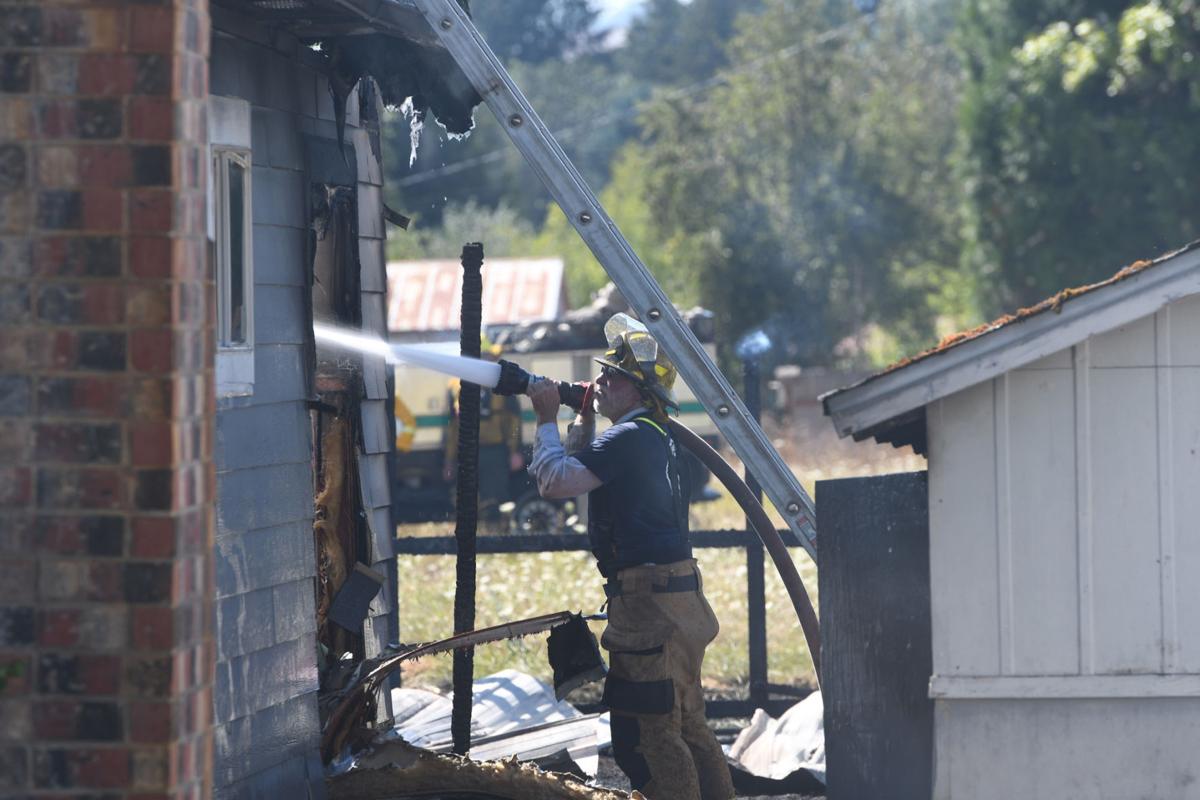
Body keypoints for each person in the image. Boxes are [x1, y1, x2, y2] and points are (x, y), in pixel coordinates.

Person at [525, 314, 735, 800]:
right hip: (679, 601)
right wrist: (581, 415)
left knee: (647, 736)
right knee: (687, 725)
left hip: (648, 609)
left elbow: (557, 481)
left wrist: (543, 418)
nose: (599, 380)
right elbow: (586, 466)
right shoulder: (655, 435)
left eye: (611, 376)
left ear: (638, 391)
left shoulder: (629, 437)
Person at [443, 336, 525, 520]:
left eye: (489, 356)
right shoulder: (455, 386)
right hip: (467, 451)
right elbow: (452, 428)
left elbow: (513, 420)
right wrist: (449, 460)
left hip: (495, 451)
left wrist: (515, 451)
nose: (488, 360)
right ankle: (477, 533)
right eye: (483, 356)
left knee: (496, 497)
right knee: (466, 497)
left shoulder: (502, 382)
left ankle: (496, 532)